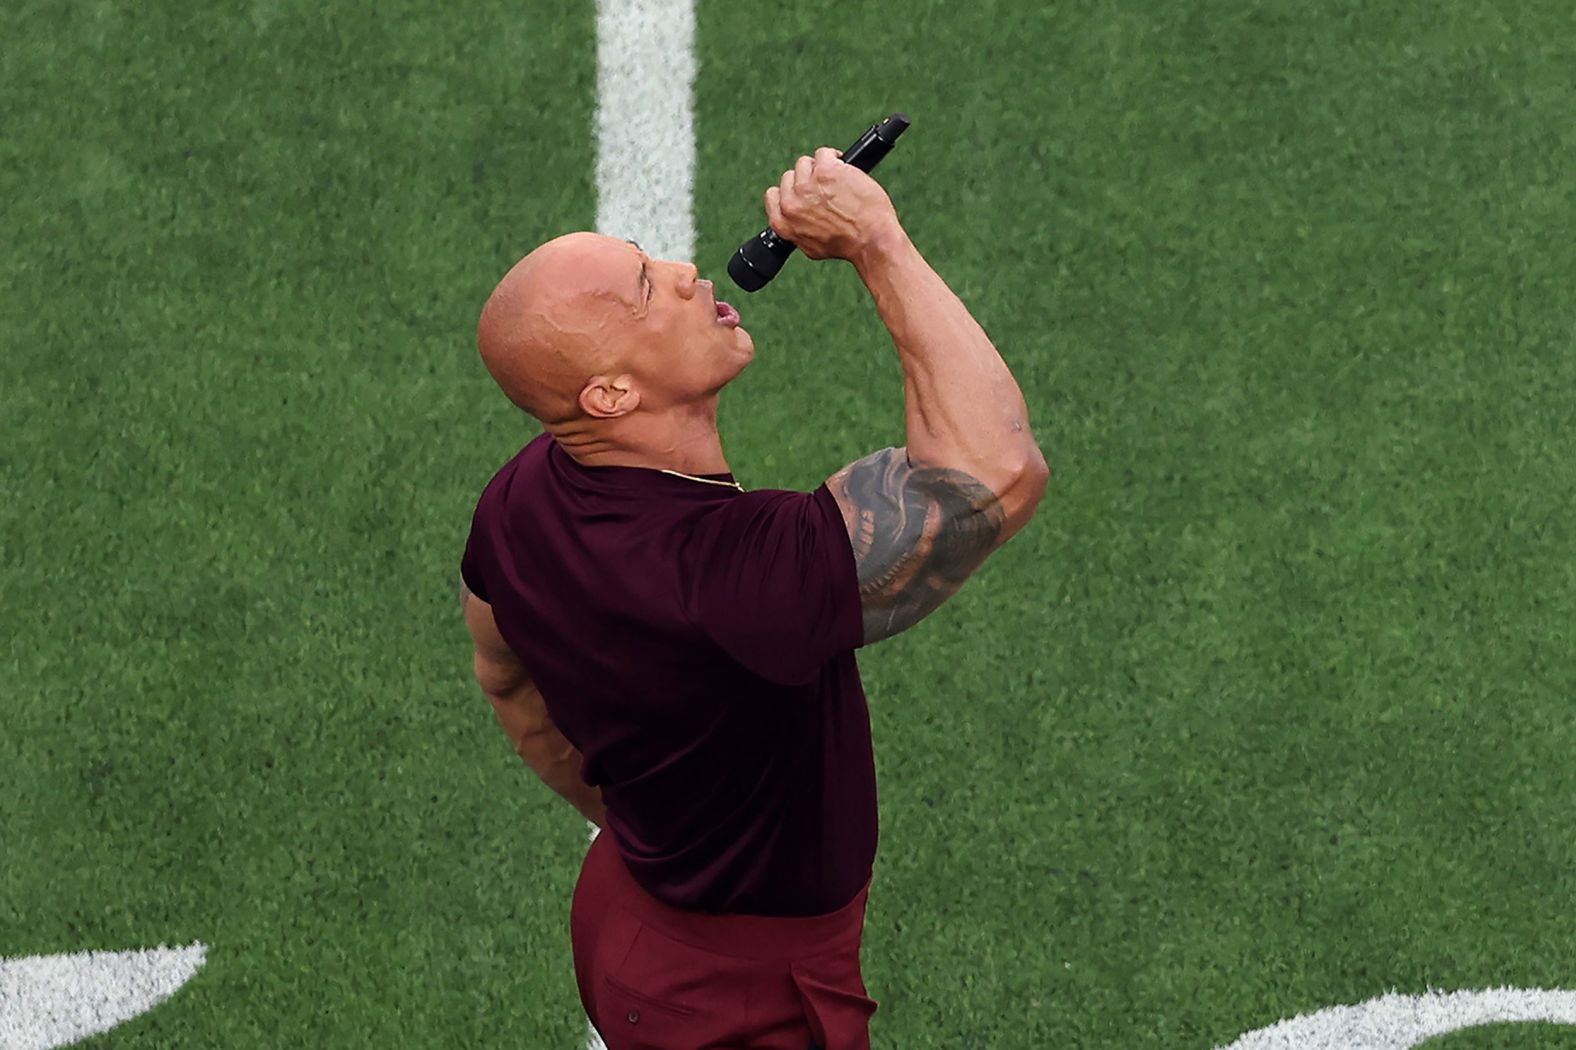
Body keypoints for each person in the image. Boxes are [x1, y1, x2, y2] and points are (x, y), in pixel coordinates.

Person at [458, 147, 1049, 1050]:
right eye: (648, 290)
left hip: (629, 917)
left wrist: (654, 829)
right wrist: (876, 243)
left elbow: (508, 684)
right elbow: (995, 473)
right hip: (735, 999)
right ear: (609, 394)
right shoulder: (739, 577)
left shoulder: (522, 496)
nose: (688, 272)